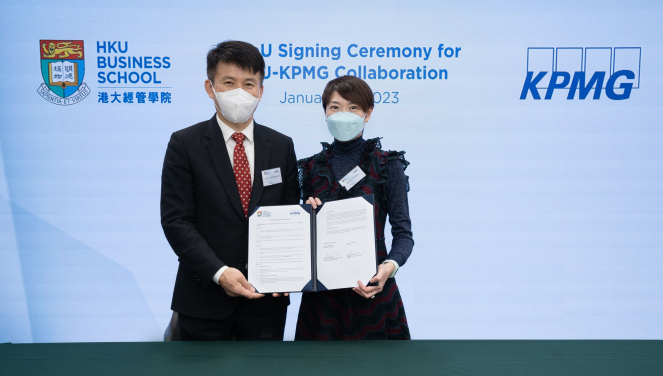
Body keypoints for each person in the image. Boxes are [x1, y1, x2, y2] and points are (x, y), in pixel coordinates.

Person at [160, 41, 298, 341]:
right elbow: (176, 221)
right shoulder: (185, 144)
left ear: (261, 90)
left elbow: (289, 216)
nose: (240, 92)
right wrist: (220, 272)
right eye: (228, 82)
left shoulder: (281, 145)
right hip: (203, 298)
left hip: (266, 302)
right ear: (211, 88)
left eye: (249, 83)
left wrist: (289, 270)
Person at [295, 76, 413, 340]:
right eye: (335, 107)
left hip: (374, 293)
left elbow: (404, 234)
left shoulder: (387, 164)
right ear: (325, 112)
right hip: (322, 302)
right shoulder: (310, 169)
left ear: (368, 113)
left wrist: (389, 267)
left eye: (353, 108)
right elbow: (299, 239)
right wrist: (305, 218)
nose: (343, 114)